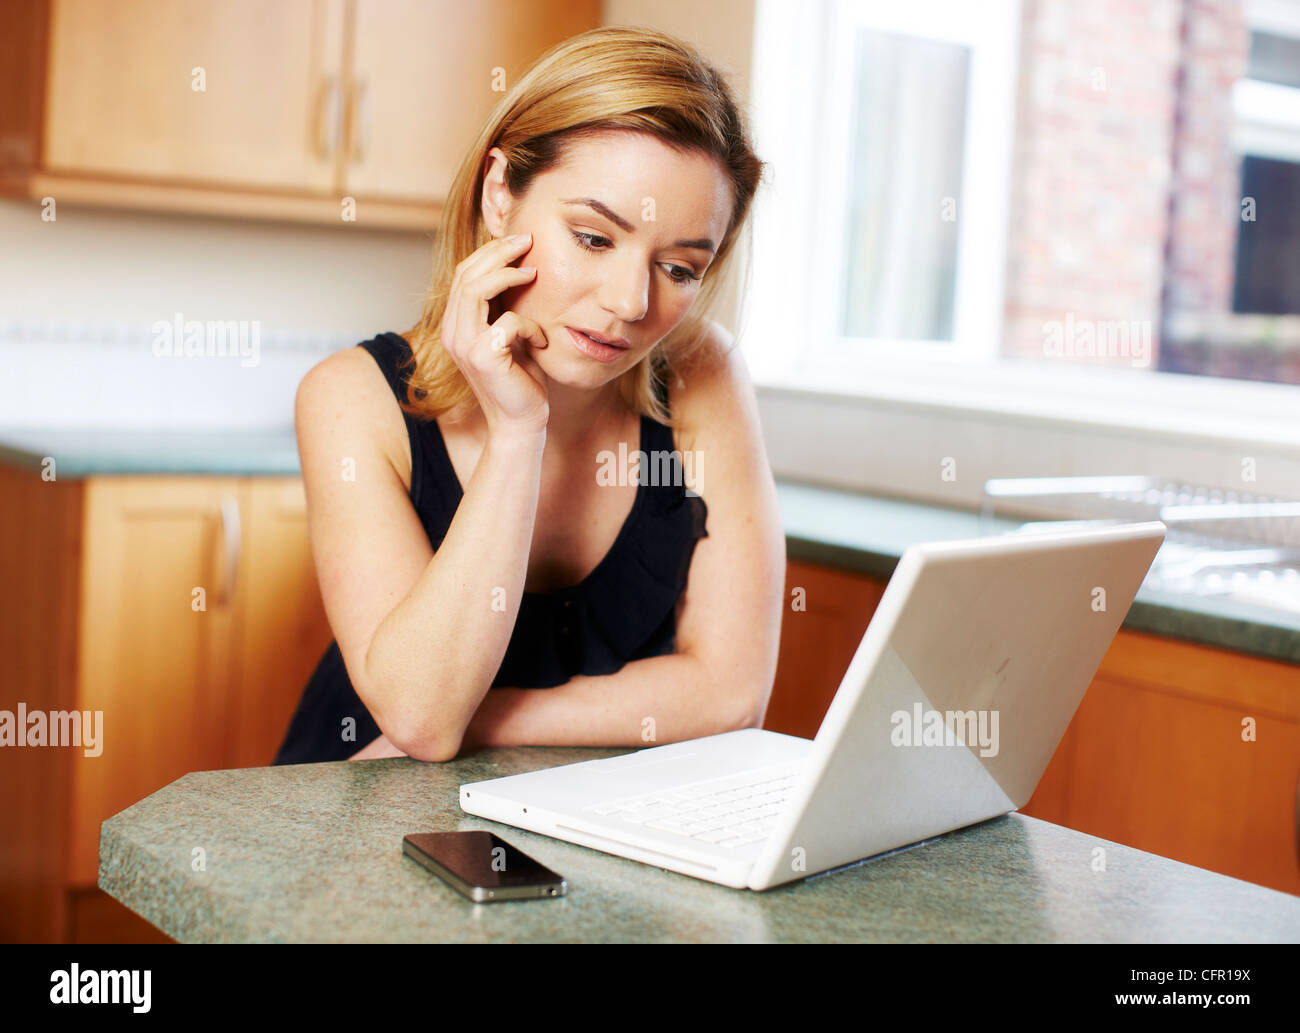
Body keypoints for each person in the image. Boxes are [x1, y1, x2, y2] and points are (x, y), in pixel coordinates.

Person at [272, 26, 785, 764]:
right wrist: (519, 432)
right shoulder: (351, 399)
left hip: (584, 826)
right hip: (363, 798)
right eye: (594, 238)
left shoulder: (704, 375)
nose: (630, 301)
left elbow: (732, 694)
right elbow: (420, 711)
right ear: (500, 195)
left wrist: (484, 723)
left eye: (678, 268)